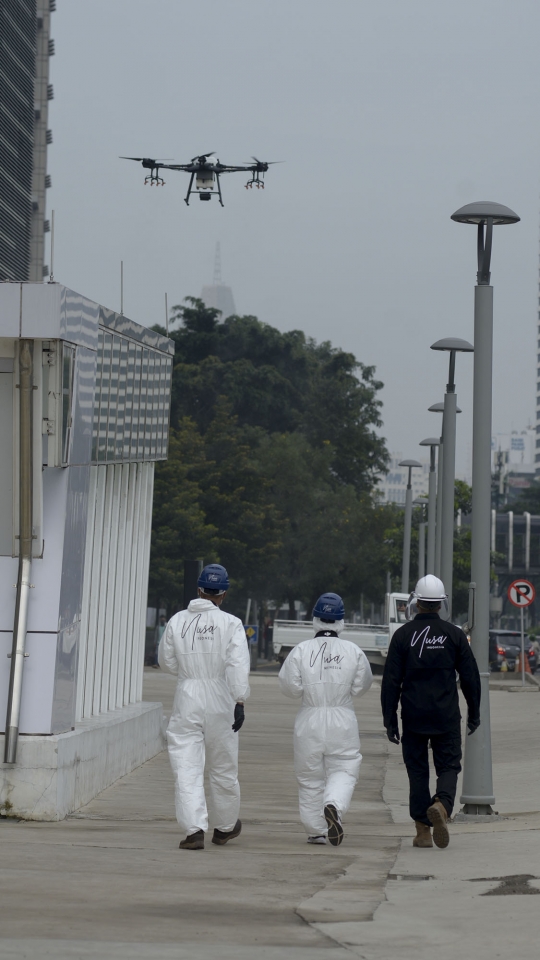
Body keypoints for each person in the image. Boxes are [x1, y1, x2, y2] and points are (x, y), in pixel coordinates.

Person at [381, 575, 481, 849]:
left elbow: (391, 681)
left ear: (416, 603)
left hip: (413, 716)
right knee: (449, 765)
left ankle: (422, 832)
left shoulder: (402, 636)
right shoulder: (455, 635)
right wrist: (474, 712)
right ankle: (442, 805)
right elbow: (470, 677)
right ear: (441, 604)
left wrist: (389, 719)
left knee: (417, 772)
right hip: (446, 715)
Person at [158, 563, 250, 851]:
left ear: (198, 590)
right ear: (223, 594)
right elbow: (237, 664)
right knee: (223, 766)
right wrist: (239, 699)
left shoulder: (176, 621)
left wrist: (188, 674)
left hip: (187, 695)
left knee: (187, 765)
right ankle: (224, 827)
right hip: (221, 697)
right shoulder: (232, 623)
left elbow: (166, 662)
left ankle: (194, 828)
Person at [279, 593, 373, 846]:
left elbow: (289, 688)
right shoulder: (353, 651)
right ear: (341, 621)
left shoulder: (301, 650)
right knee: (344, 767)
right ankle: (333, 804)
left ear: (315, 620)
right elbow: (362, 686)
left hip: (309, 717)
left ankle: (315, 830)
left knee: (309, 777)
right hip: (342, 718)